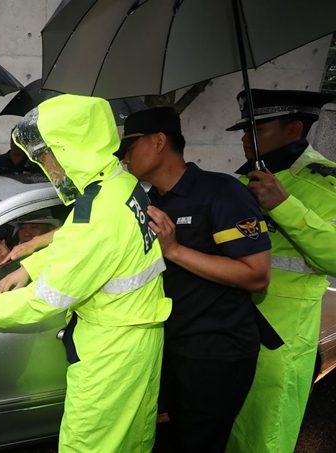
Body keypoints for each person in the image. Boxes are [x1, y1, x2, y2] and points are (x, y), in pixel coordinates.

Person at [0, 94, 172, 452]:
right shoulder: (119, 186)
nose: (46, 165)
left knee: (87, 444)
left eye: (46, 154)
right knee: (131, 440)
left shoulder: (98, 214)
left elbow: (46, 299)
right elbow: (77, 243)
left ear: (71, 148)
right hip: (137, 337)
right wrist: (31, 265)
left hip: (110, 352)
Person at [116, 107, 273, 453]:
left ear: (158, 142)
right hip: (171, 347)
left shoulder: (222, 192)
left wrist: (175, 251)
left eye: (129, 149)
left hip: (216, 352)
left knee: (199, 444)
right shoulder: (149, 201)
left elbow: (257, 274)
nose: (124, 159)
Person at [224, 89, 336, 453]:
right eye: (244, 128)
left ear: (294, 130)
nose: (245, 137)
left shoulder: (325, 182)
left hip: (282, 333)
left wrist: (286, 206)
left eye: (257, 127)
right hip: (231, 321)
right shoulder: (244, 182)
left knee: (264, 433)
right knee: (228, 427)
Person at [0, 212, 60, 283]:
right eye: (23, 228)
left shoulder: (57, 252)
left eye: (34, 227)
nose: (27, 233)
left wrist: (9, 265)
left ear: (50, 230)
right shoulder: (10, 249)